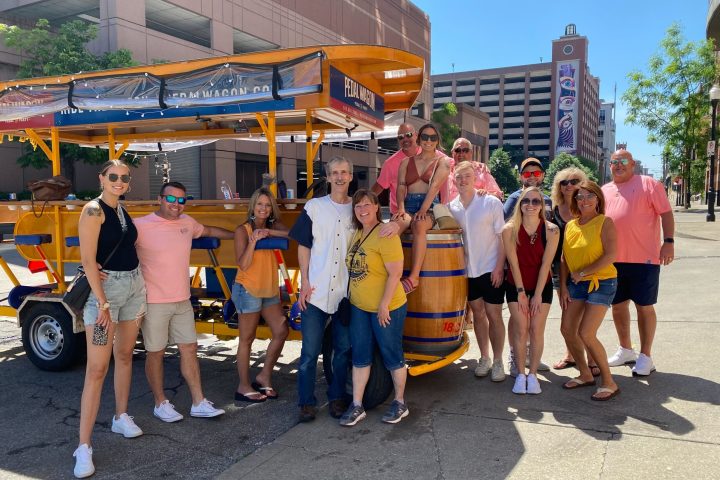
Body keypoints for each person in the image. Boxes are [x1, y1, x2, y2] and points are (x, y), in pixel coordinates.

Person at [290, 156, 399, 422]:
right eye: (334, 172)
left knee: (341, 352)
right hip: (315, 292)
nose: (339, 177)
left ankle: (337, 398)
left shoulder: (358, 209)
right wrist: (303, 281)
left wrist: (397, 223)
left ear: (351, 177)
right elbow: (303, 245)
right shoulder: (315, 207)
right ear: (327, 178)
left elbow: (379, 227)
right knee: (308, 353)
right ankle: (306, 402)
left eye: (344, 172)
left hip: (346, 296)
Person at [135, 181, 232, 423]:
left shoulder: (187, 223)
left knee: (189, 348)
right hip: (154, 301)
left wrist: (240, 234)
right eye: (171, 199)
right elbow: (114, 246)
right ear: (160, 199)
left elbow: (209, 231)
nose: (176, 205)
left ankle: (198, 402)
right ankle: (160, 403)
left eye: (181, 200)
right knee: (155, 352)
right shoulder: (140, 225)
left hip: (182, 300)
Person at [74, 160, 147, 479]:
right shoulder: (93, 210)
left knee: (126, 355)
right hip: (105, 296)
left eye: (124, 178)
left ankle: (120, 415)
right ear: (101, 178)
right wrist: (102, 303)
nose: (119, 181)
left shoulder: (120, 209)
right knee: (97, 368)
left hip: (133, 287)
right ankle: (83, 446)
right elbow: (88, 261)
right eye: (113, 176)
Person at [602, 149, 674, 376]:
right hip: (612, 259)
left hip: (644, 258)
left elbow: (666, 213)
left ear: (632, 164)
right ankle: (625, 349)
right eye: (614, 162)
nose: (619, 165)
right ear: (610, 165)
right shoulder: (604, 190)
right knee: (618, 305)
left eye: (623, 161)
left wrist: (668, 241)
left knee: (644, 306)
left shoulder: (649, 184)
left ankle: (646, 356)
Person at [339, 190, 409, 426]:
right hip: (360, 306)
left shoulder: (386, 233)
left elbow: (395, 273)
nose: (362, 209)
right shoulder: (358, 233)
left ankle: (400, 402)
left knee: (391, 353)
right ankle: (357, 405)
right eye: (358, 206)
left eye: (367, 204)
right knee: (360, 354)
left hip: (386, 306)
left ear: (377, 207)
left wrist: (384, 305)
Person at [559, 181, 620, 400]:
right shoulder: (570, 225)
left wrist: (583, 273)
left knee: (586, 333)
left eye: (589, 196)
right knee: (567, 329)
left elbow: (610, 256)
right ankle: (585, 374)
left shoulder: (605, 222)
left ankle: (609, 381)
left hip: (602, 282)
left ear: (598, 199)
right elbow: (564, 259)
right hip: (575, 284)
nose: (584, 201)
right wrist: (564, 286)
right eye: (580, 197)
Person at [448, 161, 507, 381]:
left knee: (494, 315)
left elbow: (502, 237)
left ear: (475, 179)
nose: (462, 181)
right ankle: (485, 358)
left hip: (490, 268)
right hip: (468, 272)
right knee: (479, 316)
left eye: (467, 176)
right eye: (459, 177)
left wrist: (499, 267)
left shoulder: (490, 202)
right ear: (454, 179)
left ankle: (499, 360)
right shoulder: (451, 207)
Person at [232, 187, 289, 403]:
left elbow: (294, 234)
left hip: (269, 289)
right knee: (247, 338)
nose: (264, 208)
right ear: (253, 207)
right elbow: (243, 264)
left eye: (267, 204)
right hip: (248, 289)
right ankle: (243, 386)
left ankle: (263, 375)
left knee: (281, 330)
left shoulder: (274, 225)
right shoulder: (242, 230)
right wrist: (254, 240)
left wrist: (269, 232)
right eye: (260, 204)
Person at [501, 187, 559, 395]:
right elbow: (513, 263)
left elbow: (546, 265)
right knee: (521, 328)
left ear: (542, 206)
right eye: (526, 201)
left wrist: (536, 295)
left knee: (536, 329)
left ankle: (533, 375)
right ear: (520, 204)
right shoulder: (509, 229)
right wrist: (521, 293)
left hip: (541, 286)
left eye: (536, 202)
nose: (531, 205)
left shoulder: (551, 230)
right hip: (516, 285)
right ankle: (521, 374)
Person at [549, 167, 599, 375]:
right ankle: (571, 355)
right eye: (564, 182)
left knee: (588, 319)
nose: (569, 185)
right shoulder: (554, 210)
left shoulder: (587, 207)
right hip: (561, 269)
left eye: (574, 181)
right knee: (568, 315)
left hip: (588, 269)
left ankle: (592, 359)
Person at [394, 122, 451, 293]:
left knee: (419, 225)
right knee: (394, 226)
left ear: (437, 140)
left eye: (433, 137)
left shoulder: (443, 162)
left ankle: (414, 277)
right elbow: (401, 187)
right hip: (409, 204)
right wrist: (401, 208)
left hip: (430, 206)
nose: (428, 141)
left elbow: (434, 187)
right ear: (419, 138)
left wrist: (423, 210)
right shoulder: (405, 162)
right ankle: (391, 273)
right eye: (425, 136)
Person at [371, 123, 419, 225]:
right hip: (399, 214)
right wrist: (362, 201)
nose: (405, 139)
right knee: (389, 235)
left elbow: (450, 163)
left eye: (408, 135)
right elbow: (379, 186)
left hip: (424, 212)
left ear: (416, 135)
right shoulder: (390, 163)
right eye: (400, 137)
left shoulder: (429, 154)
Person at [445, 137, 503, 202]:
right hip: (447, 210)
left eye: (465, 150)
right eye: (457, 150)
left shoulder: (481, 171)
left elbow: (498, 196)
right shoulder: (444, 167)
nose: (461, 154)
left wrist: (486, 195)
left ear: (471, 152)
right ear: (452, 152)